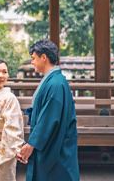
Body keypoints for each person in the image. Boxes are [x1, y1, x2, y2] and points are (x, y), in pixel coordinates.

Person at [17, 39, 79, 181]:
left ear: (43, 57)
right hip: (52, 140)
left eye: (33, 58)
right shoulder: (54, 80)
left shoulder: (56, 83)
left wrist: (31, 144)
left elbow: (49, 119)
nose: (32, 63)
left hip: (56, 145)